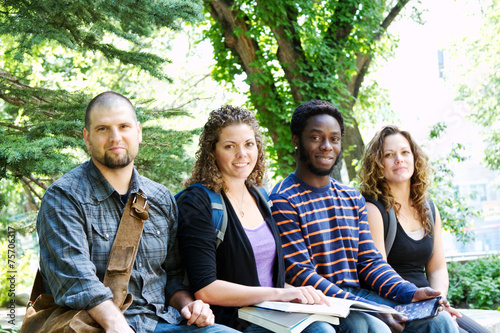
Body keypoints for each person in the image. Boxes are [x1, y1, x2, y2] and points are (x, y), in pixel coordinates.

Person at [36, 91, 237, 333]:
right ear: (87, 139)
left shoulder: (161, 198)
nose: (115, 137)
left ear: (138, 132)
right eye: (103, 129)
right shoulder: (64, 197)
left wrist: (189, 306)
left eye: (124, 126)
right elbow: (76, 281)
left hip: (161, 322)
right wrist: (117, 325)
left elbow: (172, 276)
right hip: (94, 325)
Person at [270, 100, 459, 333]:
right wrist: (368, 307)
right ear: (296, 141)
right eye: (316, 137)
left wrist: (410, 292)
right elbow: (300, 273)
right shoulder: (283, 199)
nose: (327, 146)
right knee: (374, 328)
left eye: (334, 138)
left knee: (439, 321)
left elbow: (371, 262)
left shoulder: (351, 198)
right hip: (320, 303)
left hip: (358, 297)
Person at [176, 105, 336, 332]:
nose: (242, 154)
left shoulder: (259, 195)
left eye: (249, 144)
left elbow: (267, 276)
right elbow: (205, 288)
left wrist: (301, 294)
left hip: (274, 311)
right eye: (230, 146)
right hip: (234, 320)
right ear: (212, 151)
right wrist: (280, 294)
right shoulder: (198, 202)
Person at [358, 125, 489, 333]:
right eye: (389, 155)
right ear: (377, 164)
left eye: (404, 152)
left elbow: (437, 268)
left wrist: (438, 300)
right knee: (443, 325)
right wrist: (424, 304)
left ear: (414, 158)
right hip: (395, 305)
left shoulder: (428, 208)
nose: (399, 159)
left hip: (428, 302)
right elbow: (377, 273)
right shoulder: (373, 208)